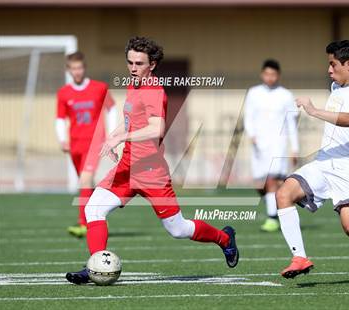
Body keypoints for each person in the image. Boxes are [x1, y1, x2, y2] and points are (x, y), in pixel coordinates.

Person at [65, 37, 239, 284]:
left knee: (177, 229)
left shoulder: (154, 91)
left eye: (139, 63)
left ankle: (224, 238)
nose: (133, 67)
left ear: (153, 65)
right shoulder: (133, 85)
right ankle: (96, 265)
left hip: (150, 172)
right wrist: (113, 138)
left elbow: (156, 129)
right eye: (130, 62)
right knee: (94, 208)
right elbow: (129, 121)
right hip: (127, 166)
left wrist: (123, 136)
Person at [275, 40, 349, 288]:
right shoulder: (336, 86)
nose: (329, 70)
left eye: (333, 64)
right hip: (324, 162)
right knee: (284, 193)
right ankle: (300, 257)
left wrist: (313, 111)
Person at [56, 52, 117, 238]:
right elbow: (60, 118)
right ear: (69, 70)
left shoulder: (99, 88)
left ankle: (83, 224)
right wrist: (62, 139)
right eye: (73, 68)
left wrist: (111, 135)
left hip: (95, 143)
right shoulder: (64, 93)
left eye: (80, 68)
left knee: (85, 180)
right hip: (75, 144)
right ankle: (95, 219)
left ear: (84, 68)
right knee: (85, 185)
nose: (77, 72)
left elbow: (112, 108)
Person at [244, 59, 299, 232]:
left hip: (278, 144)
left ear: (278, 76)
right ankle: (282, 206)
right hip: (259, 146)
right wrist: (251, 134)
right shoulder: (253, 93)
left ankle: (272, 219)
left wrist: (295, 148)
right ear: (262, 74)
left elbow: (291, 123)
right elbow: (248, 116)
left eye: (273, 74)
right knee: (260, 184)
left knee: (271, 180)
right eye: (267, 74)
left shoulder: (285, 95)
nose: (270, 78)